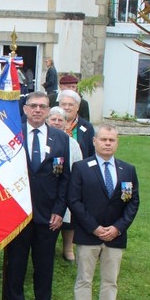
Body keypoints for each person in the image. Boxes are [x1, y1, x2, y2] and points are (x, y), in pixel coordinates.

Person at [1, 92, 71, 300]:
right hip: (18, 215)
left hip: (48, 216)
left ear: (49, 109)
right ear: (25, 109)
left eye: (43, 106)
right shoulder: (12, 135)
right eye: (33, 106)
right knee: (16, 266)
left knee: (44, 266)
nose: (38, 110)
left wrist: (59, 211)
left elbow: (65, 180)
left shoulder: (61, 139)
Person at [68, 125, 139, 300]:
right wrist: (94, 227)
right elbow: (74, 200)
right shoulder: (81, 168)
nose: (108, 143)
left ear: (117, 143)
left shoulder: (127, 170)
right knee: (84, 279)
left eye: (112, 140)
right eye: (104, 139)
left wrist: (117, 228)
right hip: (89, 234)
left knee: (110, 280)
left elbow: (133, 201)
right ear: (95, 142)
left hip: (115, 236)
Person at [52, 94, 92, 262]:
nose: (67, 107)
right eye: (64, 104)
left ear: (78, 106)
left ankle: (68, 247)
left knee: (71, 212)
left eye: (71, 104)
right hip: (52, 179)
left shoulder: (85, 127)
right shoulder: (50, 129)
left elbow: (89, 151)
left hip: (74, 174)